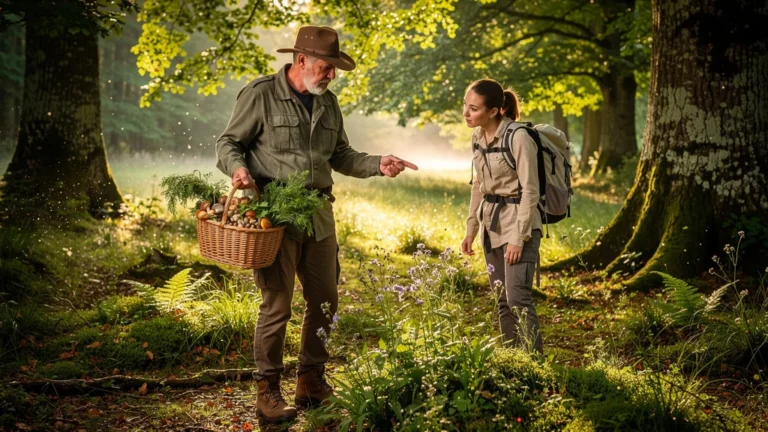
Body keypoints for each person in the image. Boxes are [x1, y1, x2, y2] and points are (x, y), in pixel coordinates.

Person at [215, 25, 418, 423]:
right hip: (275, 215)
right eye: (326, 67)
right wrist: (238, 169)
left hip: (319, 215)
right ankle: (267, 391)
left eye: (335, 69)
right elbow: (228, 143)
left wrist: (378, 164)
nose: (331, 75)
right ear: (301, 60)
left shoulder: (328, 104)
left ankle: (310, 382)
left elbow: (341, 155)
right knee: (277, 305)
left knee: (325, 301)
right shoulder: (261, 95)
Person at [460, 78, 543, 354]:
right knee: (501, 299)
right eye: (465, 106)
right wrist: (471, 229)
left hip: (519, 224)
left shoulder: (517, 137)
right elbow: (478, 186)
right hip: (491, 226)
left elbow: (531, 190)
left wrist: (519, 238)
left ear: (494, 110)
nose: (466, 113)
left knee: (518, 298)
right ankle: (512, 361)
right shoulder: (477, 138)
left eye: (473, 108)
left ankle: (535, 364)